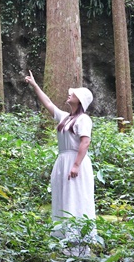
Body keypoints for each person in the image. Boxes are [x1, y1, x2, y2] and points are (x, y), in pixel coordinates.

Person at [24, 70, 96, 251]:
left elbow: (85, 142)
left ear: (79, 100)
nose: (69, 94)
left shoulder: (84, 119)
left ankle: (79, 245)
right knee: (62, 198)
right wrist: (34, 85)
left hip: (75, 162)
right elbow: (48, 102)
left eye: (73, 94)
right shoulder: (65, 117)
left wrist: (76, 165)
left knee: (76, 198)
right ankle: (63, 241)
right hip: (63, 161)